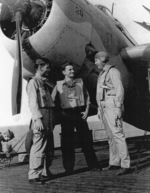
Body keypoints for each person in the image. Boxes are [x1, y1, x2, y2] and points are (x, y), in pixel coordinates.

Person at [52, 62, 100, 174]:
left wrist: (87, 111)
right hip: (66, 115)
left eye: (73, 69)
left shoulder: (80, 83)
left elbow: (87, 97)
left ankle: (93, 165)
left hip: (79, 113)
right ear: (63, 72)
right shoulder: (58, 85)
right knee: (67, 143)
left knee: (86, 140)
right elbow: (52, 100)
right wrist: (58, 113)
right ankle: (68, 169)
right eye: (69, 70)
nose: (72, 71)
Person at [95, 51, 130, 175]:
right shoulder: (102, 74)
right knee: (110, 137)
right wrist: (99, 108)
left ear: (102, 60)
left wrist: (119, 107)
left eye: (96, 60)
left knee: (118, 135)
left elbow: (119, 89)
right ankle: (114, 162)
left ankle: (125, 164)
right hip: (104, 107)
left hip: (113, 107)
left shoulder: (113, 72)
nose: (95, 63)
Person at [26, 58, 55, 183]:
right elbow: (33, 103)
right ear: (39, 67)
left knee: (48, 145)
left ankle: (44, 171)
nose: (49, 70)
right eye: (46, 67)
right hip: (41, 115)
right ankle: (34, 174)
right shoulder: (33, 83)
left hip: (49, 114)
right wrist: (37, 119)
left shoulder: (44, 82)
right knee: (38, 144)